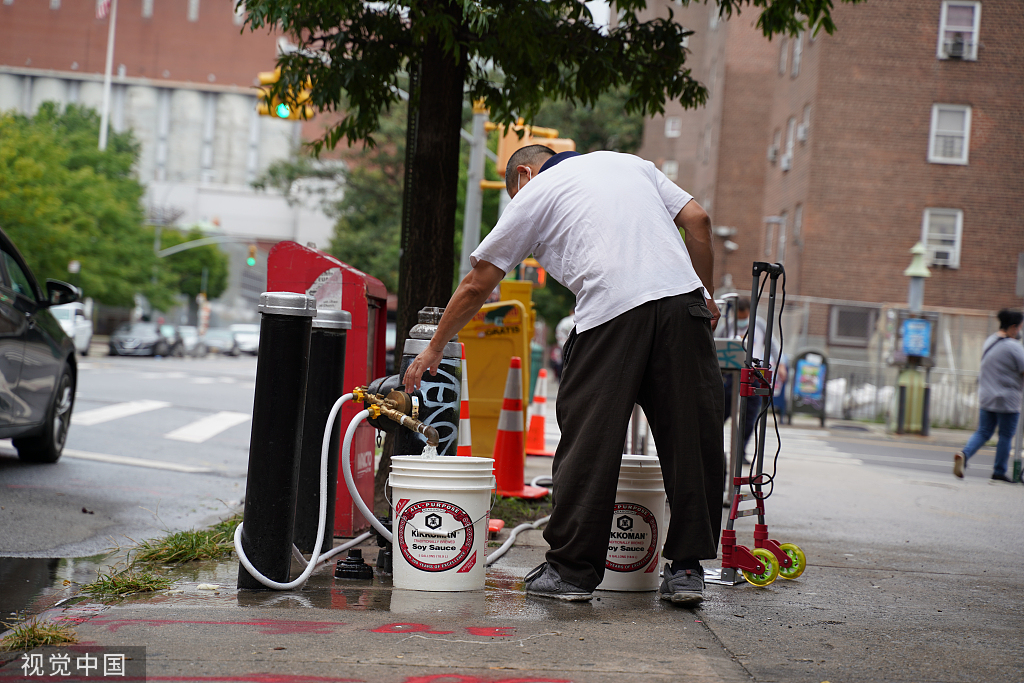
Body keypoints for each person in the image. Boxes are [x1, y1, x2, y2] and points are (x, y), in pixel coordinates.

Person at [403, 145, 723, 607]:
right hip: (685, 305)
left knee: (590, 440)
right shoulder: (631, 164)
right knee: (692, 437)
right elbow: (698, 221)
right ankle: (689, 570)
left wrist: (435, 347)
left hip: (613, 312)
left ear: (525, 175)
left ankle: (571, 572)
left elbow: (479, 282)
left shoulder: (535, 193)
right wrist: (705, 293)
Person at [953, 309, 1024, 482]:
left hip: (986, 396)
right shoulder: (1013, 346)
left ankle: (965, 454)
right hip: (1007, 399)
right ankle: (999, 471)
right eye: (1020, 327)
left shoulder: (990, 340)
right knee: (1006, 435)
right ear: (1013, 327)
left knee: (983, 431)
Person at [717, 297, 781, 456]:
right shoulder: (728, 327)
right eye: (739, 317)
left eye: (745, 317)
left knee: (750, 415)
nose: (742, 321)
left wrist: (782, 365)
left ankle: (740, 450)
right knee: (723, 411)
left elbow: (773, 346)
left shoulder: (758, 324)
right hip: (732, 374)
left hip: (754, 374)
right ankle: (714, 446)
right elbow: (717, 344)